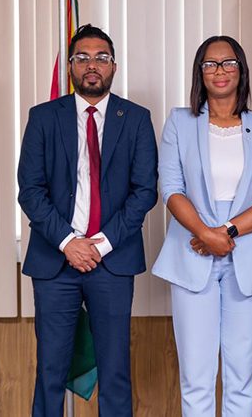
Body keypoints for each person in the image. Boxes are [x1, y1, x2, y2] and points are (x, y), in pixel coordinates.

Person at [18, 24, 158, 416]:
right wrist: (69, 242)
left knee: (115, 372)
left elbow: (145, 191)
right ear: (71, 67)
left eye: (101, 57)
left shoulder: (136, 118)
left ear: (114, 66)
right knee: (50, 371)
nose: (91, 65)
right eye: (82, 58)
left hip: (112, 261)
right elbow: (30, 190)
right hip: (55, 260)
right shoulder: (44, 117)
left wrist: (101, 244)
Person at [152, 36, 252, 416]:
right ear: (200, 72)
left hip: (246, 254)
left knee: (242, 375)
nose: (220, 71)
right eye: (210, 64)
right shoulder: (180, 122)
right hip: (191, 254)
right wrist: (204, 234)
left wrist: (224, 233)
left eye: (228, 63)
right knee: (196, 376)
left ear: (241, 69)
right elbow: (171, 188)